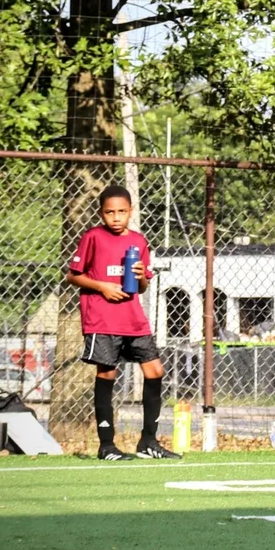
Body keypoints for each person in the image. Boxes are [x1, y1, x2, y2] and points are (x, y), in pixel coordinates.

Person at [65, 185, 180, 460]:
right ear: (101, 213)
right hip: (102, 319)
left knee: (155, 371)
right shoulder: (93, 237)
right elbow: (73, 276)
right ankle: (107, 446)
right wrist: (102, 286)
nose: (115, 218)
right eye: (109, 212)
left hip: (133, 319)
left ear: (130, 211)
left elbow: (140, 288)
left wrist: (140, 275)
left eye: (121, 212)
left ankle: (148, 442)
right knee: (107, 374)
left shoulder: (139, 242)